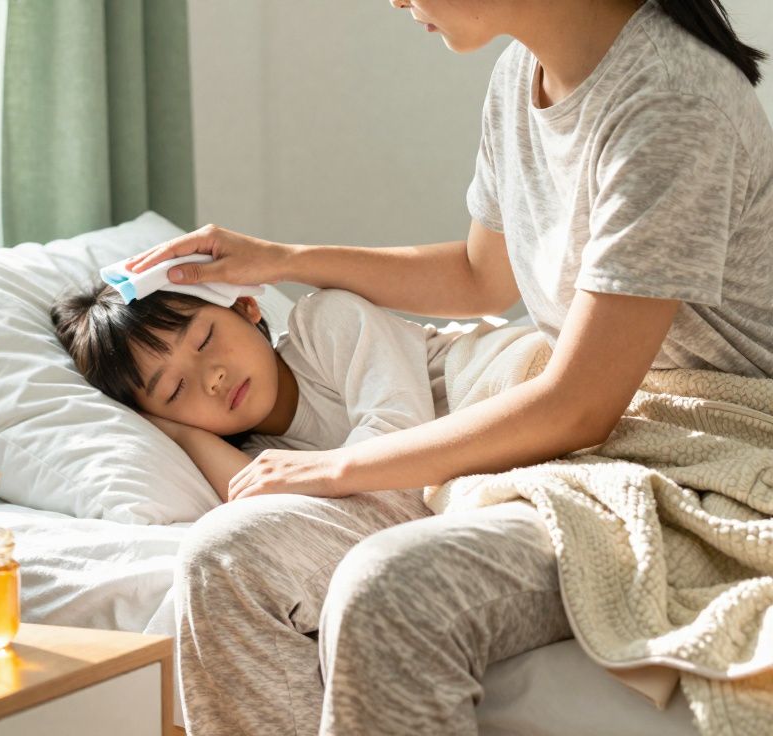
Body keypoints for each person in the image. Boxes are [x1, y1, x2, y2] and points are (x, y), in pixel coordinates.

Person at [126, 0, 773, 733]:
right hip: (589, 445)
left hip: (704, 446)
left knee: (389, 591)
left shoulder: (672, 103)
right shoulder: (518, 78)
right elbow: (478, 278)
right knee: (221, 561)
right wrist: (285, 260)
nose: (395, 1)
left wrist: (335, 469)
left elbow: (579, 405)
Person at [50, 282, 478, 500]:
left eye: (203, 341)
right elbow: (261, 509)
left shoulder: (323, 324)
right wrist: (182, 435)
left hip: (504, 379)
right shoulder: (260, 455)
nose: (211, 377)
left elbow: (404, 436)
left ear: (244, 305)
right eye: (176, 390)